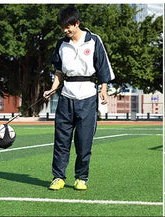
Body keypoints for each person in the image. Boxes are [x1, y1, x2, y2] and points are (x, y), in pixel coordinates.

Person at [44, 5, 115, 190]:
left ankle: (81, 178)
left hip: (88, 96)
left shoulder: (93, 41)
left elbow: (103, 68)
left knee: (84, 142)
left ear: (77, 23)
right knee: (61, 140)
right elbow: (59, 72)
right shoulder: (61, 44)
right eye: (63, 27)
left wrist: (104, 89)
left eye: (68, 26)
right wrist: (52, 89)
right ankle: (58, 177)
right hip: (66, 96)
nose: (66, 30)